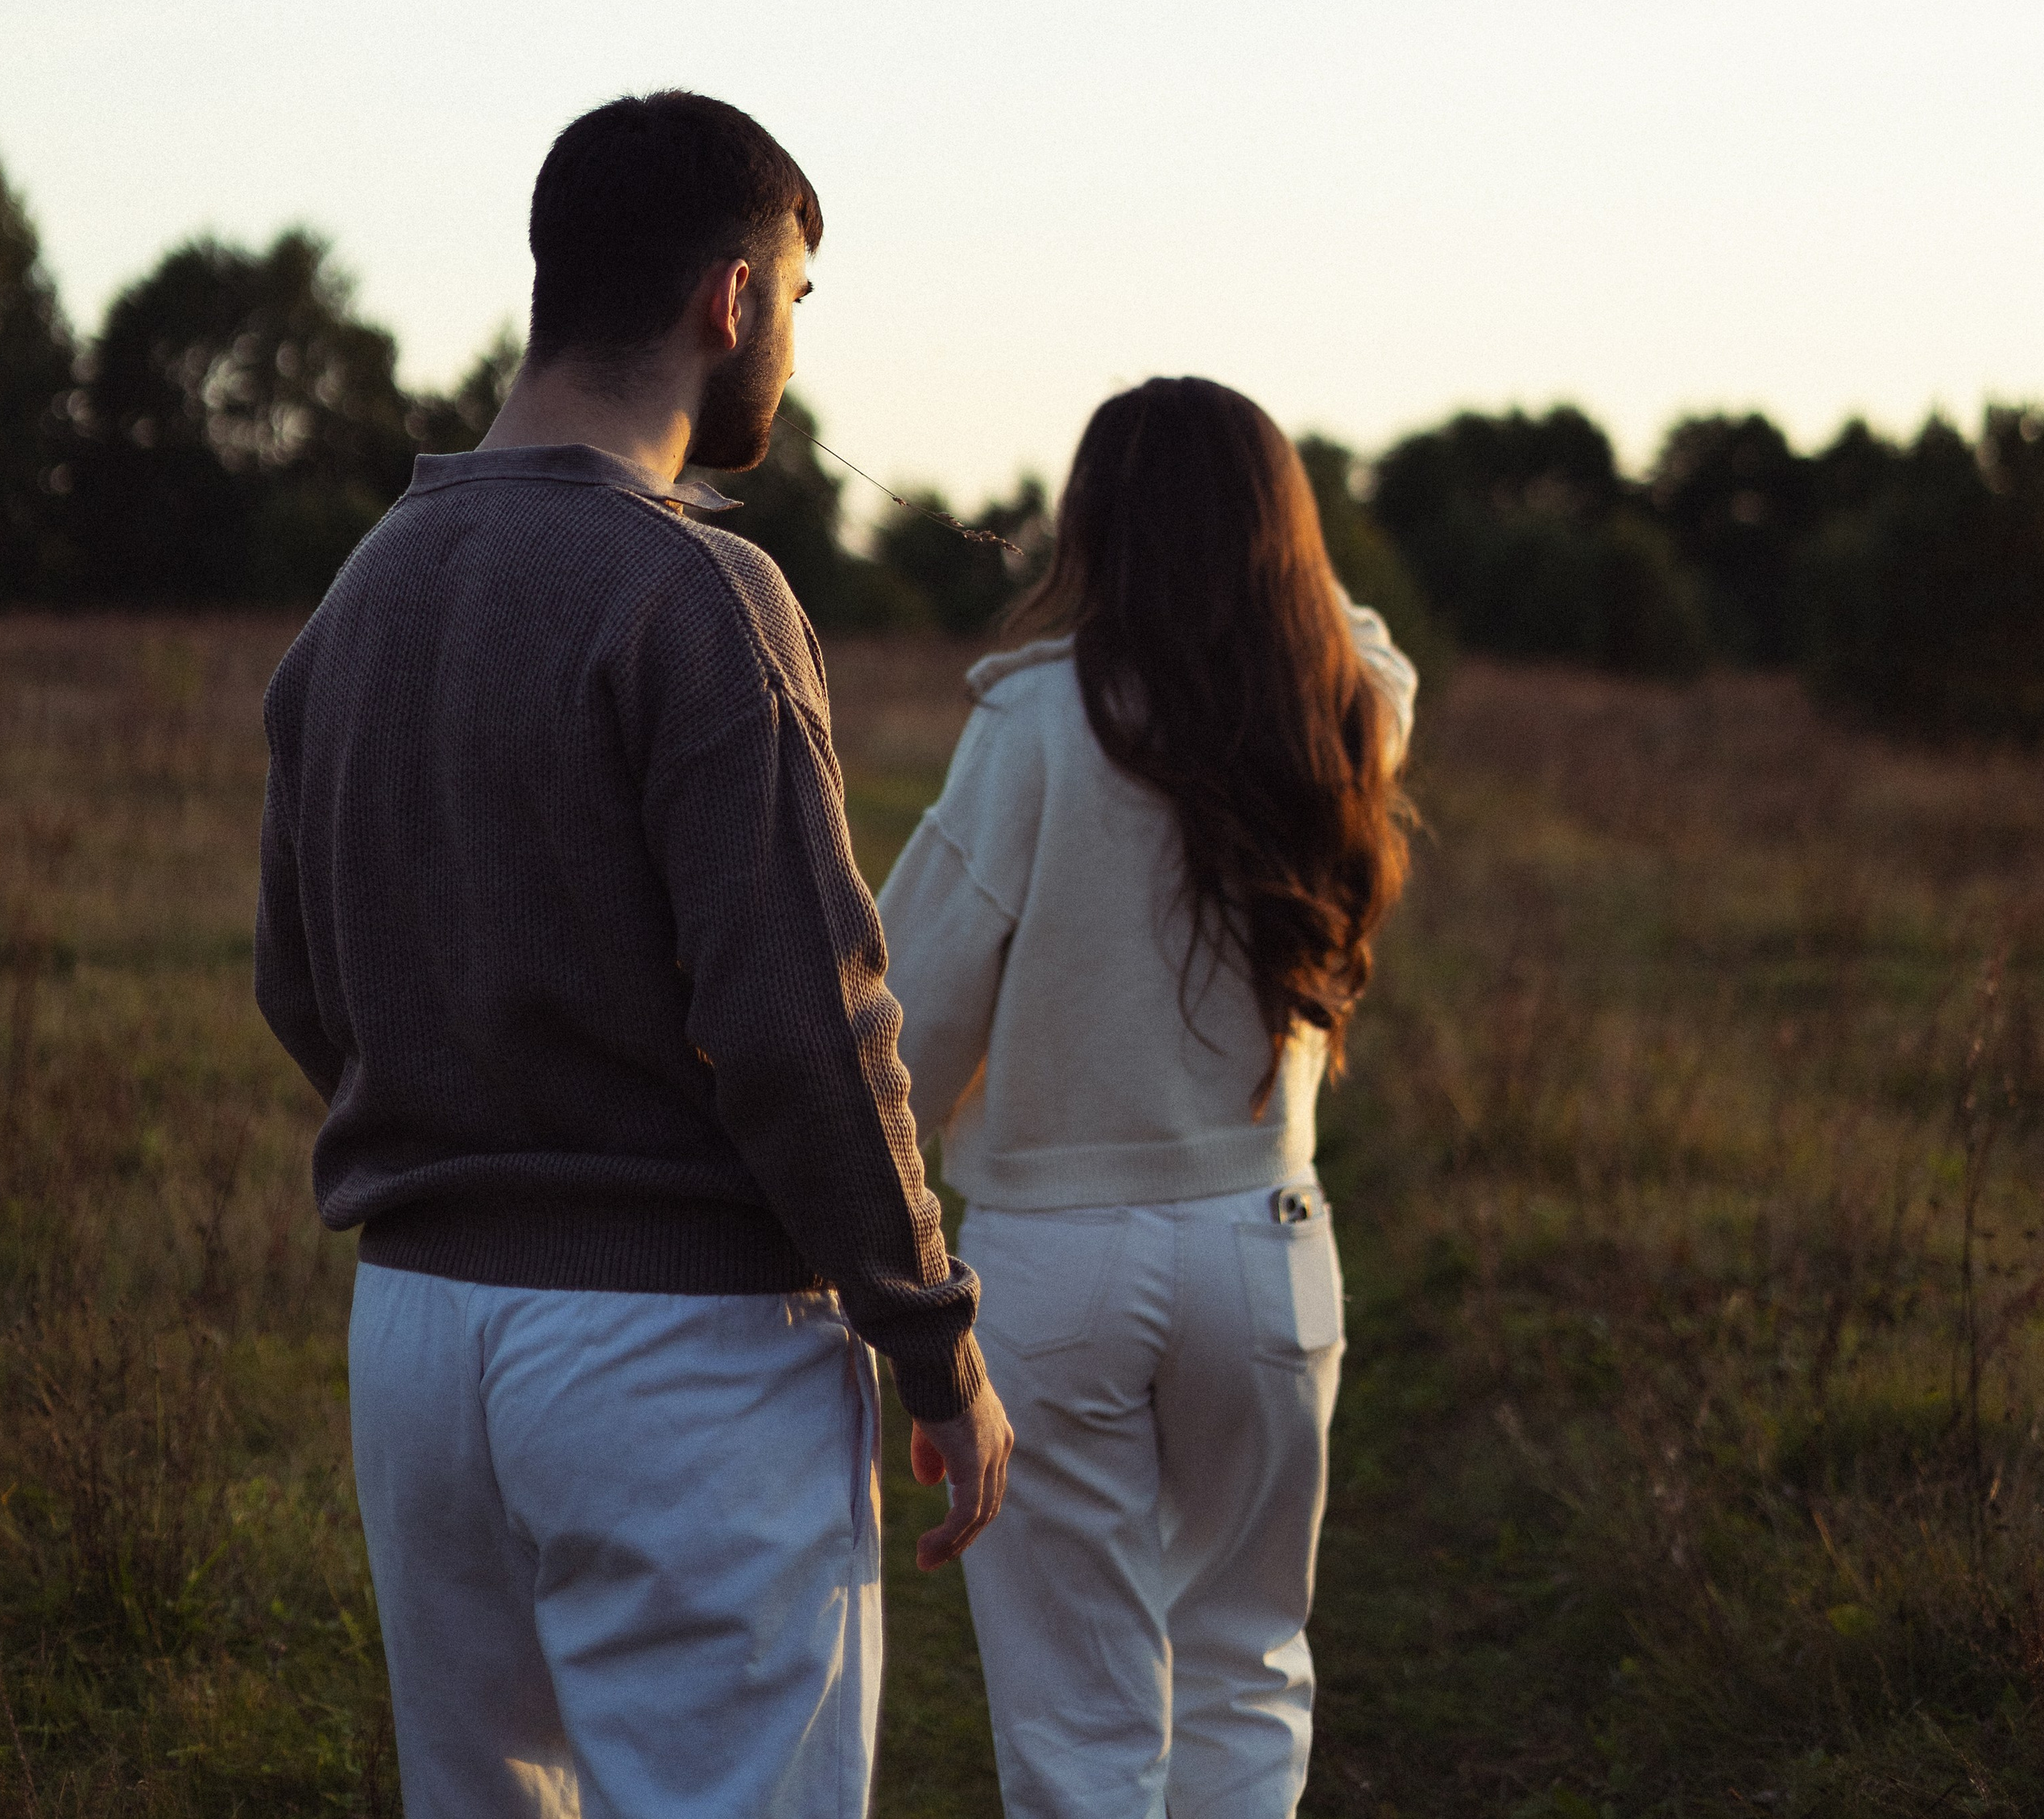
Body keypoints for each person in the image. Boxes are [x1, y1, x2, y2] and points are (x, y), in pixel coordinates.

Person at [254, 90, 1012, 1819]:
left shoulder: (359, 592)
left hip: (420, 1340)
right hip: (680, 1353)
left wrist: (476, 1127)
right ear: (729, 301)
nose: (792, 352)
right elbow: (804, 1026)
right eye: (799, 304)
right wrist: (932, 1344)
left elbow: (295, 980)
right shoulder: (695, 596)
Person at [878, 376, 1416, 1819]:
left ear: (1092, 529)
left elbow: (897, 1012)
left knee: (1079, 1715)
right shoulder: (1335, 709)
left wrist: (846, 1228)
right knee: (1246, 1664)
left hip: (1055, 1256)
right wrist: (1279, 579)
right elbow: (1375, 651)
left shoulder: (1037, 721)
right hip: (1266, 1245)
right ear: (1284, 538)